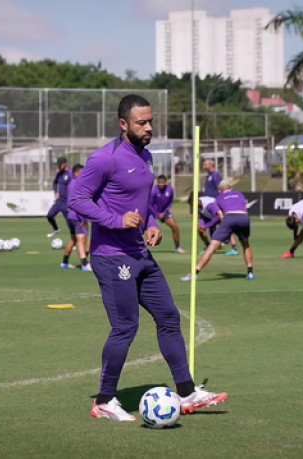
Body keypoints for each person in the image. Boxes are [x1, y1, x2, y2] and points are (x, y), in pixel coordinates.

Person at [69, 94, 228, 422]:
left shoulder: (146, 156)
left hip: (141, 253)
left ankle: (187, 394)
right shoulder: (105, 158)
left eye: (151, 121)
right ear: (123, 124)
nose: (149, 127)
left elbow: (143, 205)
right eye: (141, 122)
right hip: (113, 257)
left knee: (169, 318)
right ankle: (103, 401)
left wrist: (152, 224)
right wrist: (115, 221)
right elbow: (76, 198)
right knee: (126, 326)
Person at [181, 180, 254, 281]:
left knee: (212, 247)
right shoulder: (239, 194)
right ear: (230, 188)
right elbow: (245, 209)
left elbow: (220, 216)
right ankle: (250, 273)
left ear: (220, 191)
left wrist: (222, 227)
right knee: (246, 244)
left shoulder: (218, 198)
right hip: (244, 217)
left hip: (230, 217)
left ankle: (194, 273)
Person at [63, 164, 92, 271]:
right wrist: (83, 218)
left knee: (74, 239)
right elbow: (79, 201)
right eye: (82, 172)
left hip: (70, 215)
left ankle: (64, 262)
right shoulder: (78, 184)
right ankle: (85, 263)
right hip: (77, 215)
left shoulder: (71, 183)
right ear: (76, 173)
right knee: (81, 239)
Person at [150, 175, 185, 254]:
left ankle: (178, 247)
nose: (161, 184)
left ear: (166, 182)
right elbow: (149, 205)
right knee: (145, 229)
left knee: (174, 226)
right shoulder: (153, 191)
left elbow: (170, 203)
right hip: (152, 212)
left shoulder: (170, 190)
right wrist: (157, 213)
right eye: (159, 183)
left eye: (163, 182)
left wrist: (164, 212)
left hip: (164, 213)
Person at [46, 157, 73, 238]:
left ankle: (74, 240)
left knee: (69, 222)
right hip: (59, 201)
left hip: (67, 202)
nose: (58, 166)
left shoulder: (70, 173)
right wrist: (56, 192)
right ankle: (56, 229)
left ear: (64, 164)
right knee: (49, 215)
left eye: (59, 165)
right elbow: (55, 183)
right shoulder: (59, 174)